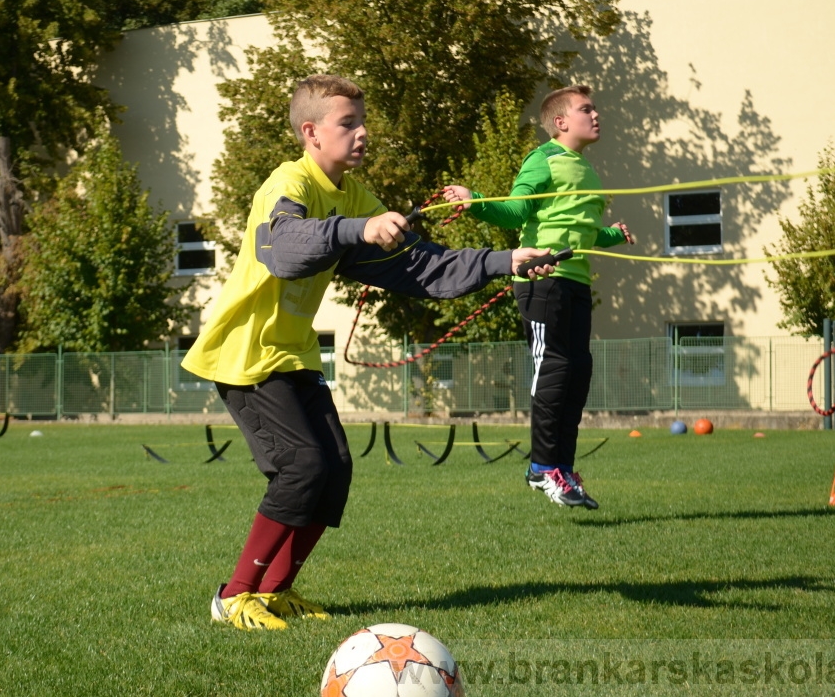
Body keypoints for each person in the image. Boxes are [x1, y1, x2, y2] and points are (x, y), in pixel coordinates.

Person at [183, 74, 558, 631]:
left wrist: (506, 261)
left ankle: (275, 591)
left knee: (333, 469)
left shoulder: (355, 197)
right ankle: (234, 595)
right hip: (245, 356)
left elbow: (424, 267)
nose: (362, 133)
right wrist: (359, 228)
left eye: (363, 122)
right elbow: (285, 250)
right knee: (302, 466)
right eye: (348, 123)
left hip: (293, 355)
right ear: (311, 133)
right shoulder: (288, 183)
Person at [442, 85, 631, 510]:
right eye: (587, 109)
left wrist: (613, 236)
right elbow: (515, 211)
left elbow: (579, 234)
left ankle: (560, 467)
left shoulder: (586, 170)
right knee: (554, 372)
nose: (596, 114)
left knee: (577, 373)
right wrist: (475, 203)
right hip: (543, 282)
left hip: (576, 282)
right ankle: (542, 467)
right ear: (561, 122)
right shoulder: (543, 159)